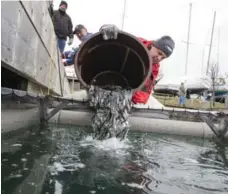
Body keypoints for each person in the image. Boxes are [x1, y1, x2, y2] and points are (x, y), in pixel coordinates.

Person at [99, 24, 175, 105]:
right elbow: (113, 39)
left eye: (163, 58)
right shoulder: (136, 43)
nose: (159, 58)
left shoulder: (154, 69)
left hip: (127, 92)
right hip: (106, 77)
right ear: (153, 45)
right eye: (159, 53)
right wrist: (111, 30)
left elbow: (145, 94)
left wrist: (129, 94)